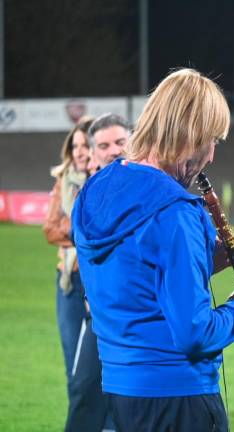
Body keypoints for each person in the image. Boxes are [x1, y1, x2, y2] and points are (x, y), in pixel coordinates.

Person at [72, 68, 234, 431]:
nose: (211, 156)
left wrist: (201, 263)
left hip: (120, 392)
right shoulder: (176, 211)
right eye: (212, 141)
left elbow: (130, 280)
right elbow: (196, 334)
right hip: (180, 398)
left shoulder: (94, 191)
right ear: (191, 136)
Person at [43, 117, 114, 431]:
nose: (80, 152)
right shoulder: (66, 181)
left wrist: (78, 230)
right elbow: (50, 230)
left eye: (86, 145)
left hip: (99, 282)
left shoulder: (105, 181)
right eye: (75, 146)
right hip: (69, 281)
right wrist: (86, 232)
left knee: (105, 371)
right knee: (78, 372)